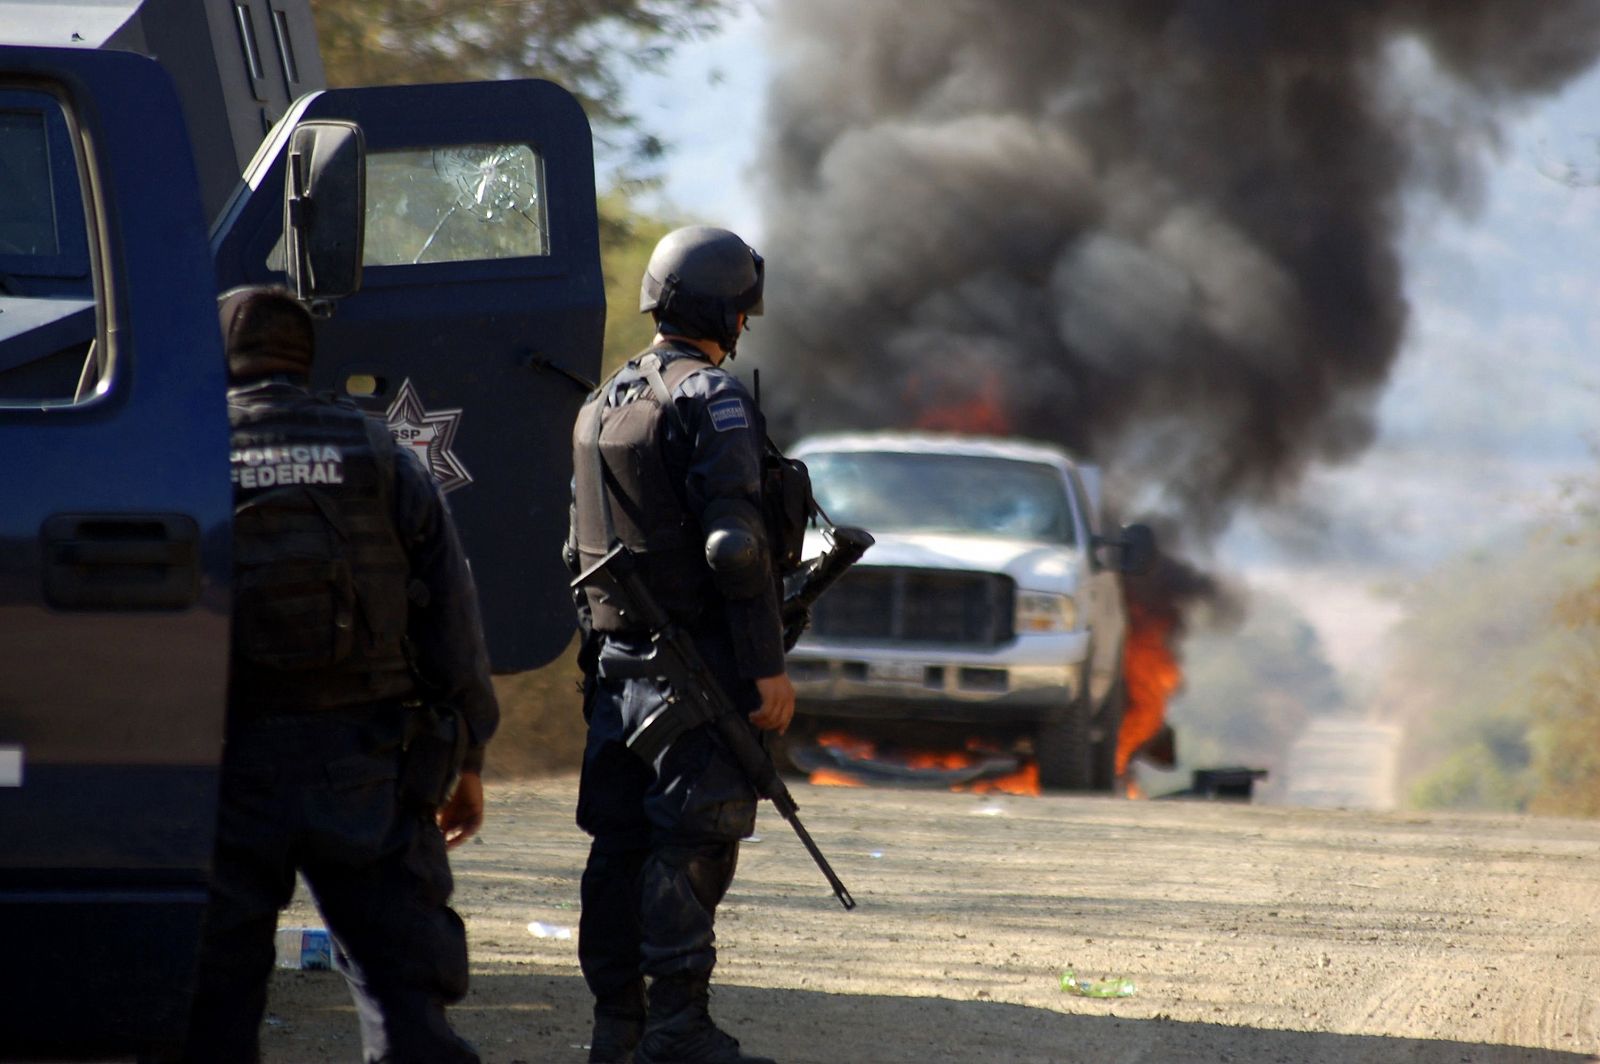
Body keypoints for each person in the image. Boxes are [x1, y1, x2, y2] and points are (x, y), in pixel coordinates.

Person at [181, 285, 499, 1063]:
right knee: (405, 1005)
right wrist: (469, 756)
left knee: (210, 1011)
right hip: (367, 764)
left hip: (224, 769)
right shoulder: (381, 452)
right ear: (304, 357)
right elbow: (452, 614)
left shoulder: (183, 453)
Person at [567, 226, 799, 1064]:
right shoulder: (713, 398)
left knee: (618, 845)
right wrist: (767, 668)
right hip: (695, 674)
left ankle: (617, 1030)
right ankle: (677, 1033)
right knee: (692, 840)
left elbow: (577, 555)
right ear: (724, 313)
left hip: (617, 671)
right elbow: (735, 548)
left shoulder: (600, 403)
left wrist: (595, 670)